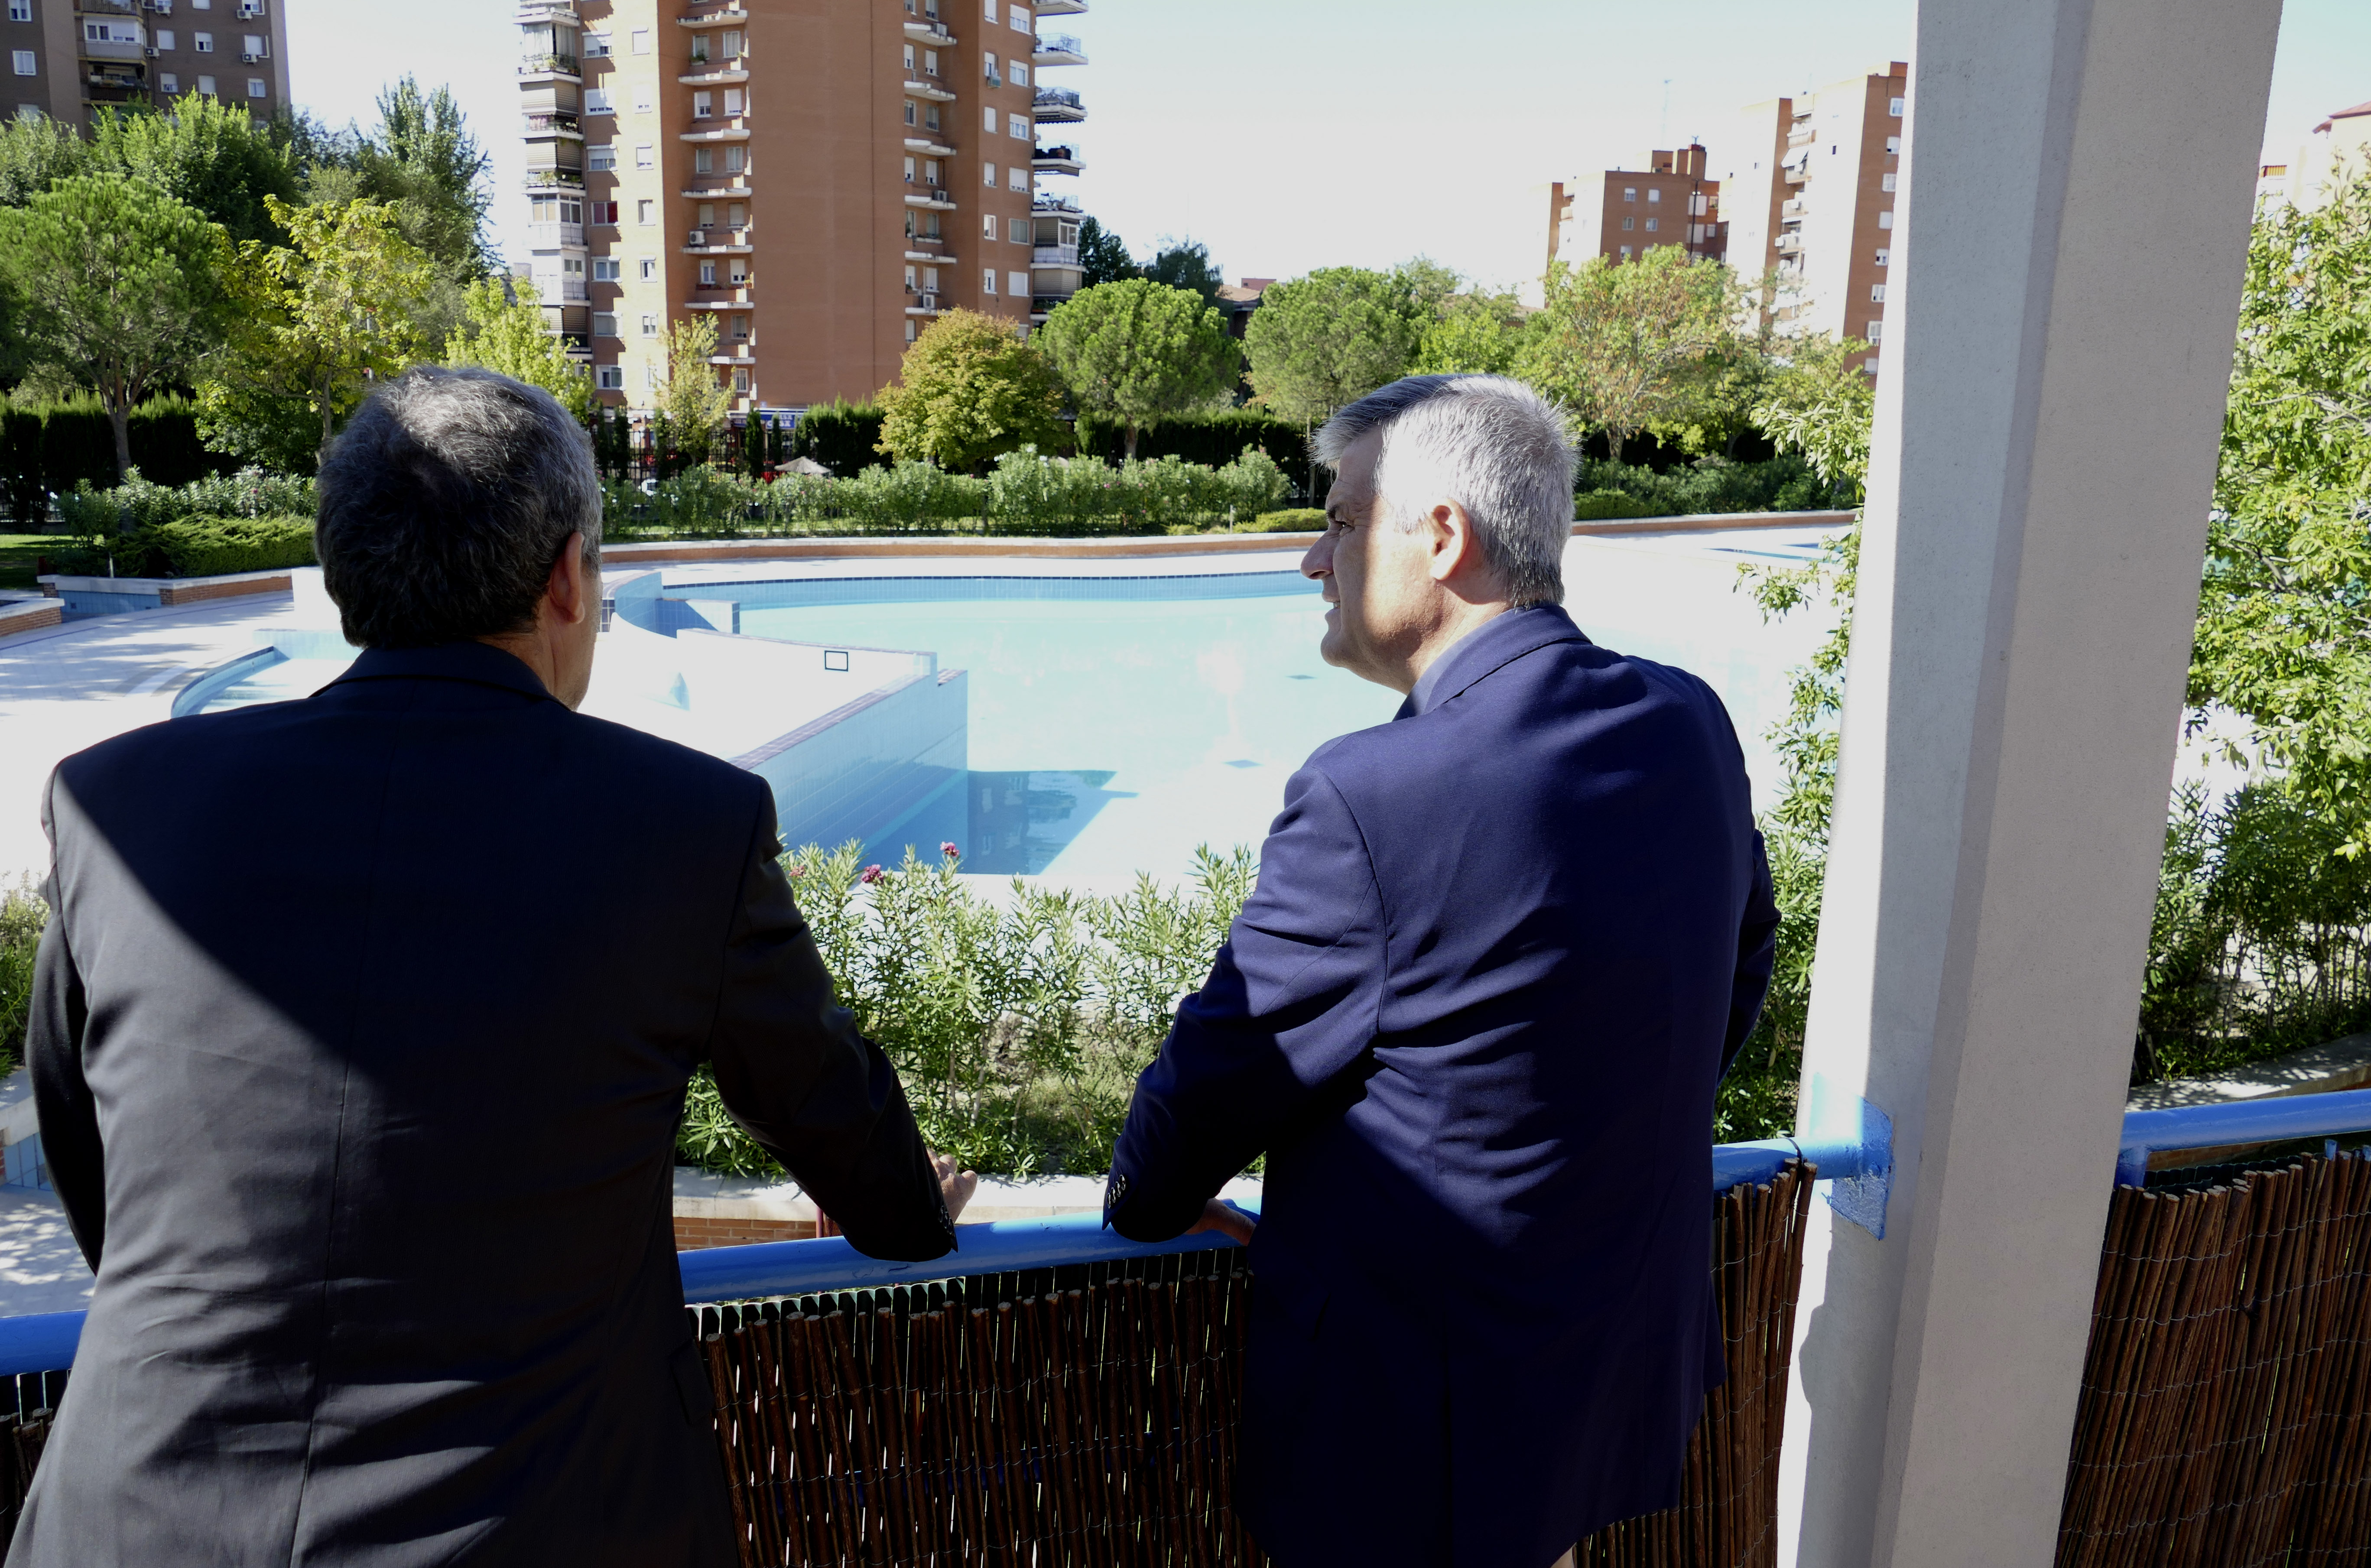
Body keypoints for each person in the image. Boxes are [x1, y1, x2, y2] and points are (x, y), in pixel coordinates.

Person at [15, 367, 974, 1567]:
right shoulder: (683, 828)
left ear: (341, 574)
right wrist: (916, 1203)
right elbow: (852, 1150)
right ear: (568, 578)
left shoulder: (115, 803)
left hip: (129, 1521)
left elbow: (90, 1162)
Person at [1103, 374, 1779, 1568]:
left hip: (1417, 1436)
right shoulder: (1687, 721)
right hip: (1603, 1367)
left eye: (1340, 521)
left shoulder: (1371, 793)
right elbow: (1734, 982)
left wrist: (1143, 1200)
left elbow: (1221, 1079)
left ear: (1443, 537)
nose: (1315, 559)